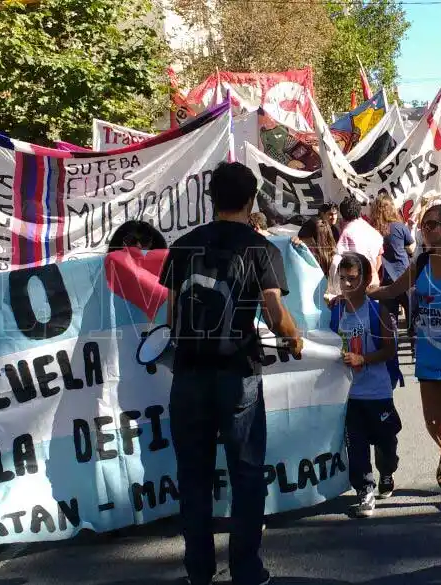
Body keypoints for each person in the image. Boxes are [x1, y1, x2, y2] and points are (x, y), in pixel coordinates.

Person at [159, 161, 303, 585]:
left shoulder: (182, 246)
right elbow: (274, 312)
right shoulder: (261, 248)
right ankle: (246, 569)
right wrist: (294, 338)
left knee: (193, 476)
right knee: (246, 473)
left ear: (212, 198)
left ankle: (198, 571)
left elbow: (171, 316)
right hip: (238, 373)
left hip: (188, 374)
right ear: (251, 199)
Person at [369, 203, 441, 511]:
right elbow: (392, 290)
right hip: (430, 354)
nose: (425, 229)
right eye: (424, 225)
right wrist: (357, 294)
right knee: (432, 420)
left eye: (432, 224)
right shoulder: (421, 263)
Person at [332, 252, 401, 518]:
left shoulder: (377, 311)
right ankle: (364, 490)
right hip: (349, 395)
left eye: (353, 279)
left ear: (366, 279)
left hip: (377, 392)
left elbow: (389, 350)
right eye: (343, 279)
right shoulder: (336, 311)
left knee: (386, 443)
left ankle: (387, 471)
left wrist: (363, 359)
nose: (347, 284)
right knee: (356, 446)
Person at [370, 194, 414, 326]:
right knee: (412, 316)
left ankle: (392, 339)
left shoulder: (373, 230)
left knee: (389, 320)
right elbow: (411, 247)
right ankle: (412, 338)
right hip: (404, 276)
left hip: (385, 278)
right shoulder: (399, 227)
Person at [336, 195, 384, 288]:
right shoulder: (372, 230)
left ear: (342, 215)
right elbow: (379, 258)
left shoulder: (347, 233)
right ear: (360, 211)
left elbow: (339, 259)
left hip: (357, 283)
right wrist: (373, 274)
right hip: (373, 280)